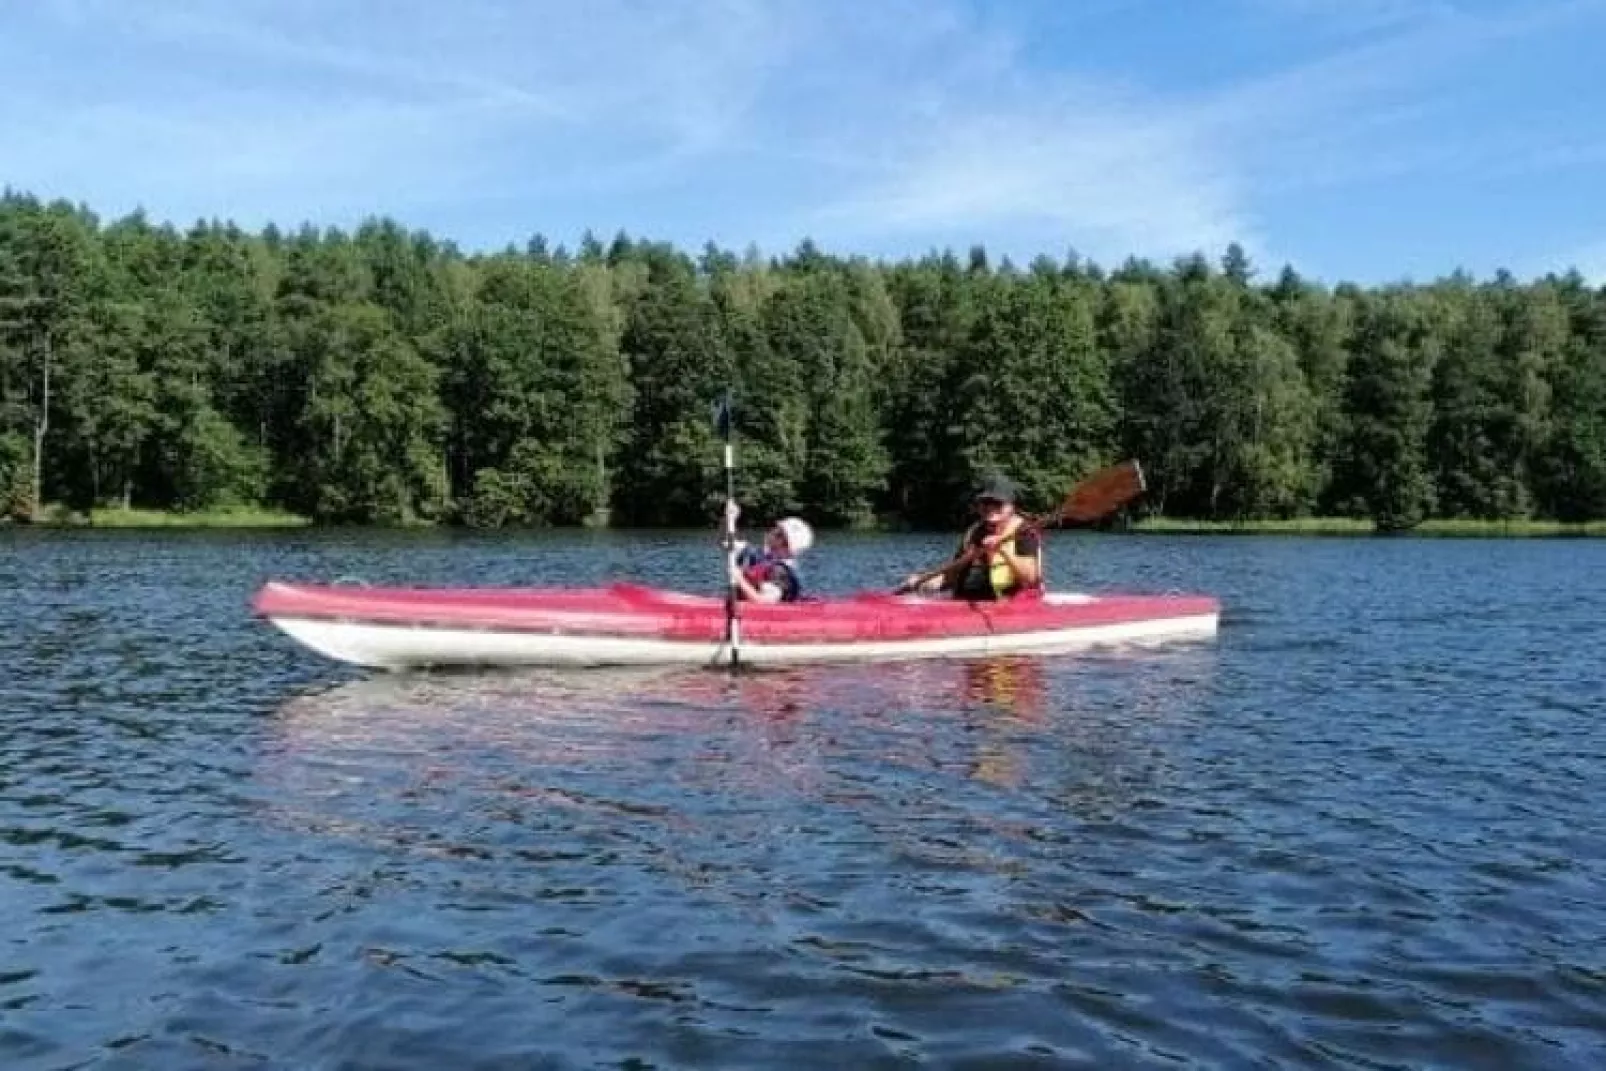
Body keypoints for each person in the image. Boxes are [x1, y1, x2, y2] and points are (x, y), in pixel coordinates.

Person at [902, 473, 1043, 600]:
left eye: (997, 503)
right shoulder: (973, 532)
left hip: (1008, 607)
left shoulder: (1023, 532)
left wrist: (1002, 550)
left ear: (1011, 506)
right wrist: (923, 581)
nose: (990, 508)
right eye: (985, 503)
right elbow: (951, 576)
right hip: (964, 605)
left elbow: (1030, 577)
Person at [722, 500, 813, 603]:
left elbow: (764, 602)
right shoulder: (757, 553)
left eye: (779, 533)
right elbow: (725, 542)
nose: (772, 532)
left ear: (786, 547)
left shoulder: (779, 571)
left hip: (763, 615)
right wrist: (729, 519)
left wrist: (739, 578)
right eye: (775, 528)